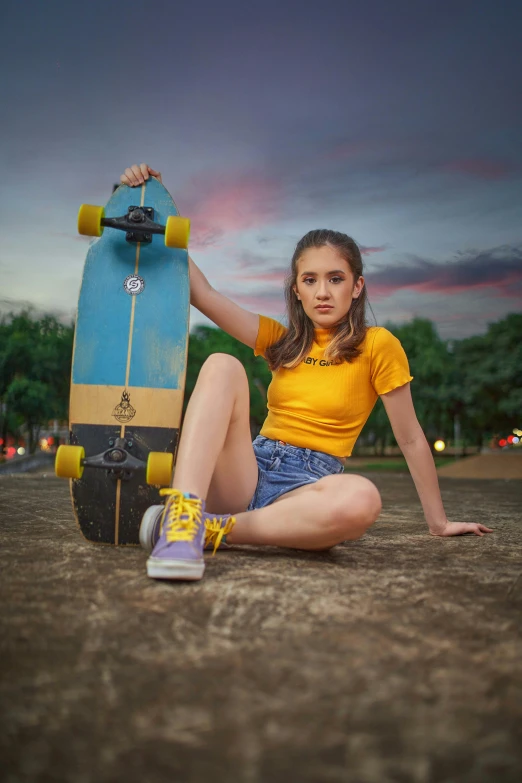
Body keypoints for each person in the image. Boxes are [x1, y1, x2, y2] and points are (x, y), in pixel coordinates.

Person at [120, 163, 493, 582]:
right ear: (296, 288)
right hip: (246, 472)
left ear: (356, 287)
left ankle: (208, 531)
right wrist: (151, 209)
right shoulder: (281, 340)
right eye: (310, 280)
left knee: (363, 500)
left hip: (308, 488)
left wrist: (438, 523)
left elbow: (409, 437)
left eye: (335, 279)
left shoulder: (378, 346)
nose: (322, 292)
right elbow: (203, 293)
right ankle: (183, 517)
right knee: (222, 364)